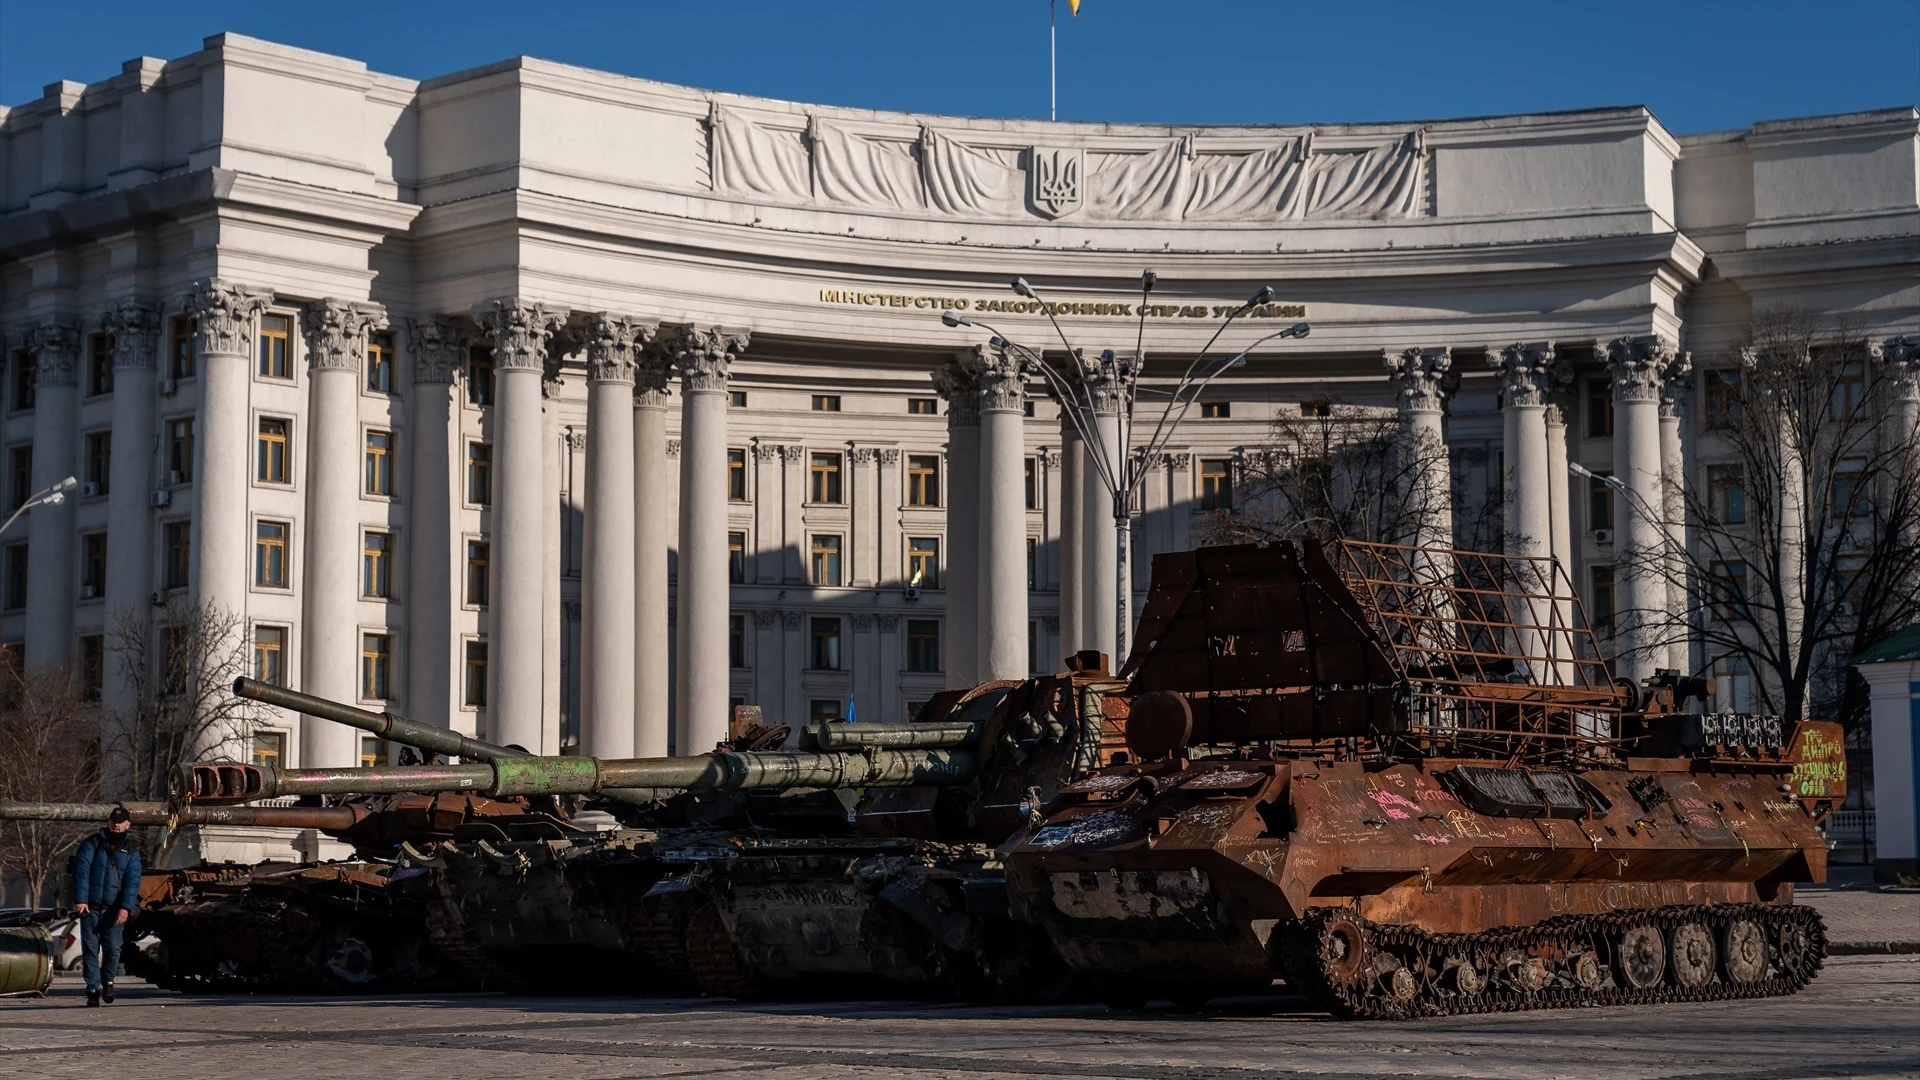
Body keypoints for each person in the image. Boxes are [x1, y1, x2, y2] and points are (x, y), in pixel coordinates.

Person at [71, 806, 142, 1007]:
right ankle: (92, 989)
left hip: (114, 910)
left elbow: (132, 881)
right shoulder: (91, 844)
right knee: (90, 950)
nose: (116, 824)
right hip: (90, 908)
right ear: (108, 822)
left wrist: (126, 907)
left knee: (113, 950)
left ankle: (108, 981)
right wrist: (81, 899)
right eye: (113, 821)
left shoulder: (131, 850)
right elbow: (81, 873)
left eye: (120, 821)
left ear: (128, 824)